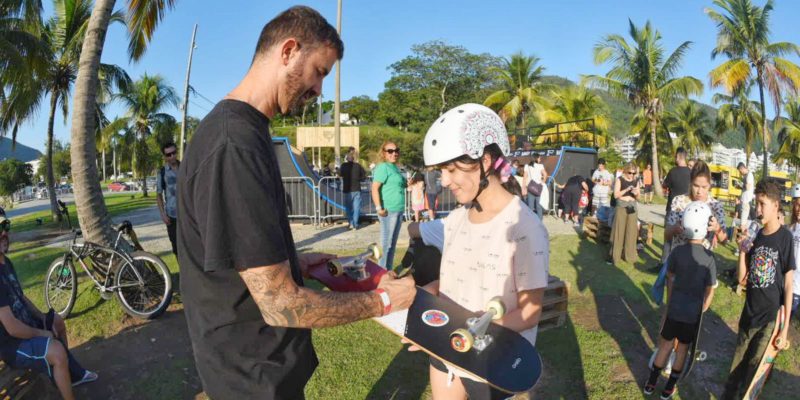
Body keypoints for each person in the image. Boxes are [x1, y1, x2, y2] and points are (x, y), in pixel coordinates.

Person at [176, 7, 416, 399]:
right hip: (250, 377)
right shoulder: (233, 145)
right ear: (288, 51)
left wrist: (298, 260)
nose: (319, 89)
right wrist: (385, 300)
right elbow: (280, 304)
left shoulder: (247, 132)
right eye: (320, 72)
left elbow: (240, 254)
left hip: (261, 367)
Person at [415, 103, 548, 400]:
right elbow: (451, 282)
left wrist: (468, 333)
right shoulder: (456, 219)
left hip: (495, 359)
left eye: (451, 169)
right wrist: (421, 299)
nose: (445, 181)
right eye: (441, 171)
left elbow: (530, 312)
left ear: (485, 162)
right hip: (449, 349)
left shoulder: (525, 229)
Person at [0, 210, 97, 400]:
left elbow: (21, 297)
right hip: (12, 344)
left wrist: (43, 318)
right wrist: (42, 333)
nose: (4, 233)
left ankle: (70, 375)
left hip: (26, 325)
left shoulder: (6, 262)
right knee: (57, 351)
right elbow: (11, 328)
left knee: (58, 322)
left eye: (5, 227)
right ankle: (64, 377)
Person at [721, 179, 795, 399]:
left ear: (775, 205)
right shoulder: (757, 236)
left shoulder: (785, 238)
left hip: (769, 320)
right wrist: (742, 251)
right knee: (735, 373)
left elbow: (789, 283)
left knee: (754, 375)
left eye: (762, 204)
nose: (758, 209)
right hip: (748, 316)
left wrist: (784, 328)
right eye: (757, 204)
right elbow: (742, 279)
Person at [645, 202, 716, 399]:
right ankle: (669, 387)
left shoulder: (676, 253)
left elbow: (669, 277)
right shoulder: (709, 258)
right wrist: (704, 307)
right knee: (682, 349)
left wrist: (669, 301)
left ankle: (651, 383)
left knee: (665, 345)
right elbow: (710, 289)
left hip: (674, 309)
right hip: (692, 314)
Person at [664, 161, 727, 253]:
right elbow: (666, 235)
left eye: (704, 187)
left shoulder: (715, 206)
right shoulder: (679, 201)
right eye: (696, 186)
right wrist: (674, 228)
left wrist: (717, 229)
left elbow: (724, 241)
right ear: (690, 183)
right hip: (679, 259)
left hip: (702, 263)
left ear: (709, 185)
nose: (699, 191)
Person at [371, 141, 407, 269]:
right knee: (387, 245)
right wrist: (378, 208)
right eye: (390, 151)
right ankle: (382, 274)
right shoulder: (383, 167)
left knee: (392, 244)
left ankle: (388, 272)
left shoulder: (395, 168)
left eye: (396, 150)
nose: (394, 153)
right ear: (384, 153)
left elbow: (401, 184)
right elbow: (374, 188)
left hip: (398, 209)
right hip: (388, 211)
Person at [610, 163, 640, 265]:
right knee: (619, 232)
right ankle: (615, 257)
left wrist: (636, 193)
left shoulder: (636, 181)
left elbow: (638, 198)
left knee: (631, 233)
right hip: (621, 207)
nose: (631, 175)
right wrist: (627, 190)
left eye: (634, 173)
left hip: (632, 208)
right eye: (630, 172)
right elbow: (615, 195)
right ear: (625, 171)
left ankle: (630, 257)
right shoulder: (619, 179)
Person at [157, 141, 180, 255]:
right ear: (165, 157)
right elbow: (158, 195)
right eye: (168, 155)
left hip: (188, 216)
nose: (172, 156)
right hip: (172, 217)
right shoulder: (162, 172)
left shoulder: (185, 168)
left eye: (173, 153)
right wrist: (163, 214)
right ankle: (183, 272)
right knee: (176, 248)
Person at [662, 147, 691, 221]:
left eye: (675, 156)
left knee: (669, 232)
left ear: (678, 156)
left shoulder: (672, 172)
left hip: (673, 208)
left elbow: (664, 186)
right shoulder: (692, 173)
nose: (675, 158)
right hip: (687, 209)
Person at [340, 153, 366, 230]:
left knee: (348, 208)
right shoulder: (358, 166)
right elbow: (364, 175)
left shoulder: (343, 166)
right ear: (353, 159)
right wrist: (359, 179)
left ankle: (351, 223)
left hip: (347, 189)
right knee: (357, 207)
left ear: (347, 159)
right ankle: (355, 224)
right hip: (357, 188)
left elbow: (341, 174)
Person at [523, 154, 547, 219]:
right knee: (539, 206)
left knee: (530, 206)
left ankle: (531, 221)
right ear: (536, 158)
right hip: (538, 188)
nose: (540, 159)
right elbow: (545, 174)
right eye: (539, 158)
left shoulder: (527, 166)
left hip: (530, 187)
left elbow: (525, 177)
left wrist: (523, 188)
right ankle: (540, 222)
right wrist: (542, 183)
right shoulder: (541, 166)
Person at [790, 184, 800, 321]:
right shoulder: (789, 229)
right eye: (797, 204)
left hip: (797, 288)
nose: (799, 209)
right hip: (786, 284)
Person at [737, 162, 755, 231]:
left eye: (740, 170)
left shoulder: (749, 175)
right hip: (744, 200)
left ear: (742, 168)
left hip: (746, 201)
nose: (740, 172)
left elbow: (748, 187)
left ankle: (744, 240)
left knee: (742, 224)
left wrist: (740, 185)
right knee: (744, 222)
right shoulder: (746, 176)